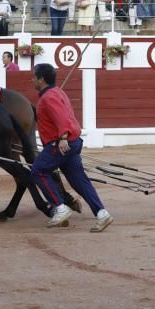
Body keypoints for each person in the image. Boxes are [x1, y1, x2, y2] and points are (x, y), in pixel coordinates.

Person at [29, 63, 112, 232]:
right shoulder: (57, 92)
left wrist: (63, 137)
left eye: (34, 77)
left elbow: (62, 117)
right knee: (79, 181)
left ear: (41, 79)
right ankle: (102, 213)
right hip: (72, 143)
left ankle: (60, 208)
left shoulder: (49, 97)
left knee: (38, 170)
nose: (32, 79)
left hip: (60, 144)